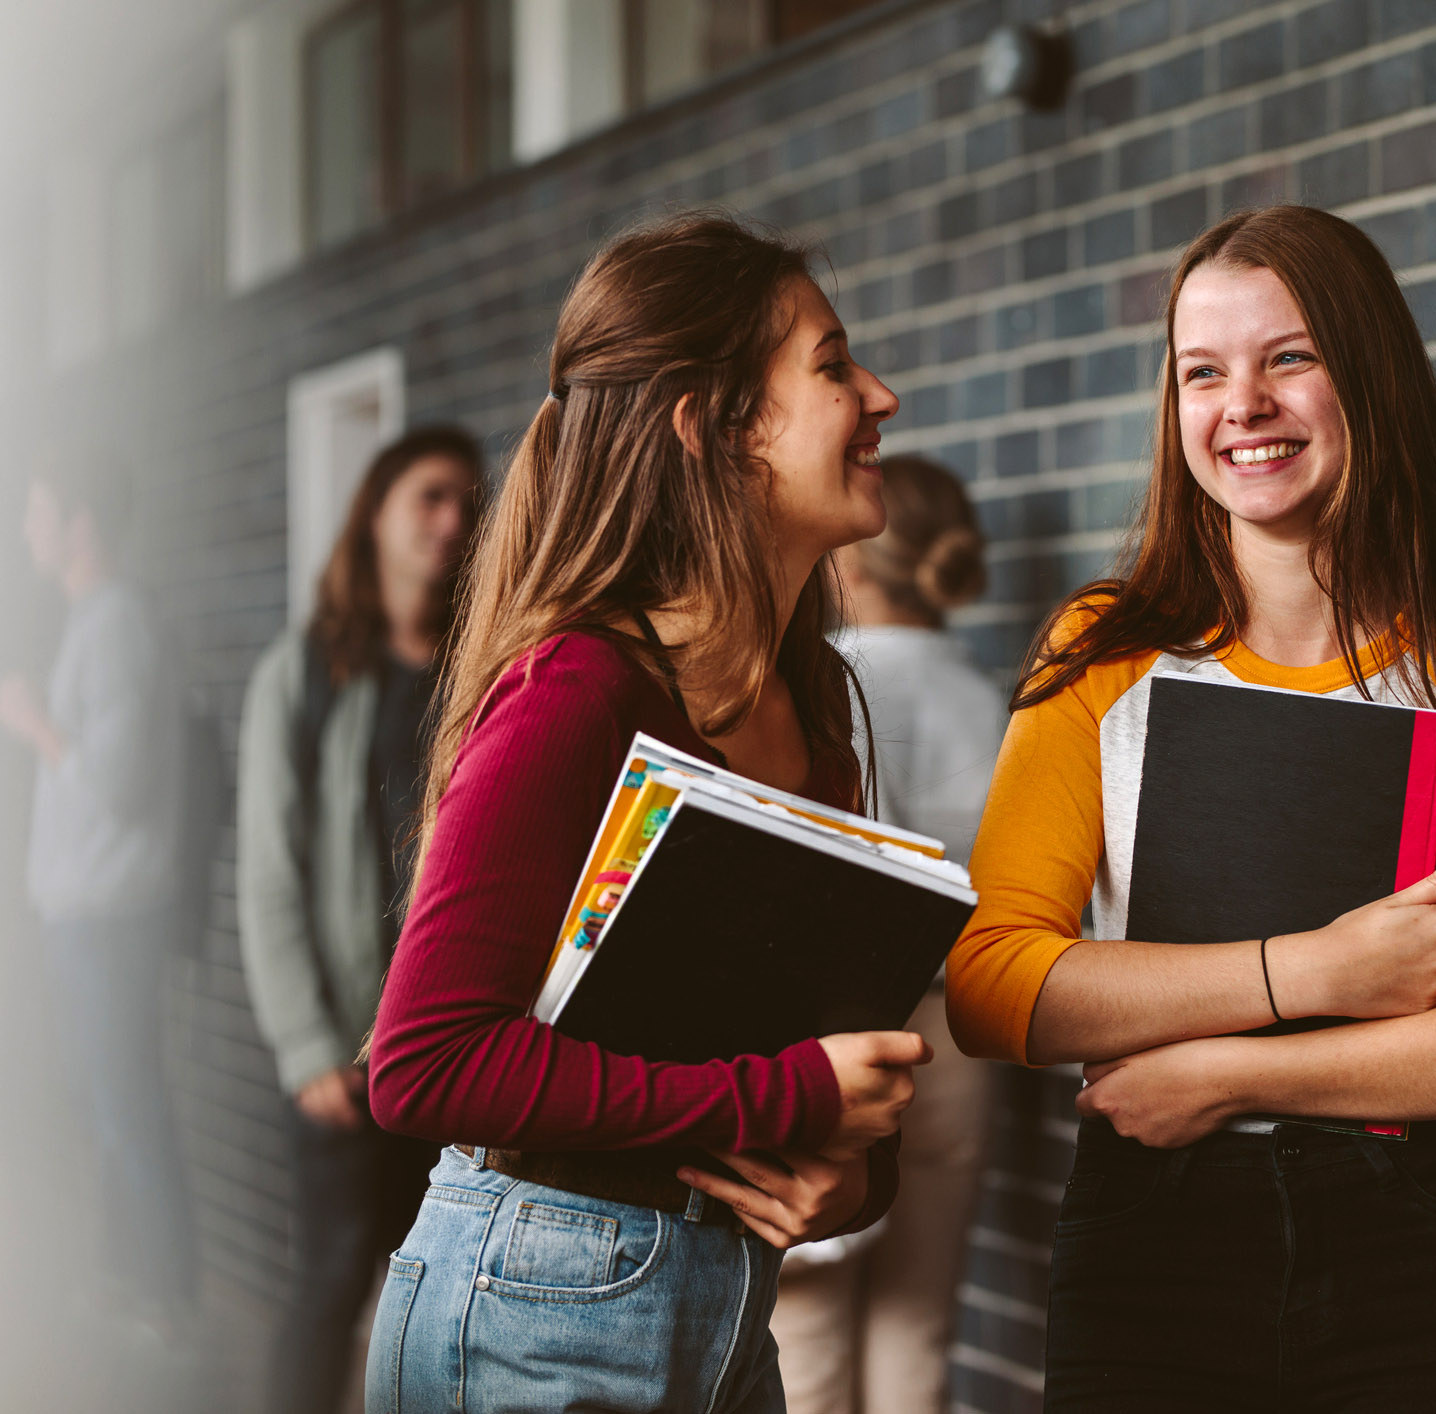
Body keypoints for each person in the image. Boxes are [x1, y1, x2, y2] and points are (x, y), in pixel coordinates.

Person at [946, 205, 1436, 1412]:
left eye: (1289, 357)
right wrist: (1310, 971)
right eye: (1201, 371)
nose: (1241, 405)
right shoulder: (1103, 652)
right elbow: (995, 984)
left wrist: (1227, 1072)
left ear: (1366, 377)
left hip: (1418, 1234)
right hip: (1150, 1240)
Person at [363, 213, 931, 1414]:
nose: (877, 394)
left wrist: (851, 1180)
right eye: (831, 366)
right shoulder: (579, 689)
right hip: (530, 1305)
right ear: (712, 429)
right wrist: (792, 1099)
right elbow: (422, 1063)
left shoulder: (814, 709)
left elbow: (780, 1044)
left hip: (721, 1306)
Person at [236, 425, 484, 1414]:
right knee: (333, 1284)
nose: (452, 520)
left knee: (436, 1306)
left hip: (455, 1049)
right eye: (429, 496)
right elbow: (268, 870)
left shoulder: (484, 668)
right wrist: (304, 1044)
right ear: (374, 511)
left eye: (468, 501)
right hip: (344, 1053)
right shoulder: (304, 675)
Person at [772, 456, 1005, 1414]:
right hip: (969, 1037)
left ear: (853, 563)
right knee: (919, 1324)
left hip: (860, 1040)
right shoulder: (994, 698)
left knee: (809, 1333)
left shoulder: (830, 686)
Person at [0, 448, 199, 1332]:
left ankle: (163, 1296)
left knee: (126, 1103)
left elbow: (113, 782)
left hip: (110, 914)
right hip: (88, 910)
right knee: (113, 1100)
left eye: (40, 512)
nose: (29, 530)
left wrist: (36, 723)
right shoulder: (96, 620)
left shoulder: (116, 625)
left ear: (81, 523)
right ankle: (134, 1282)